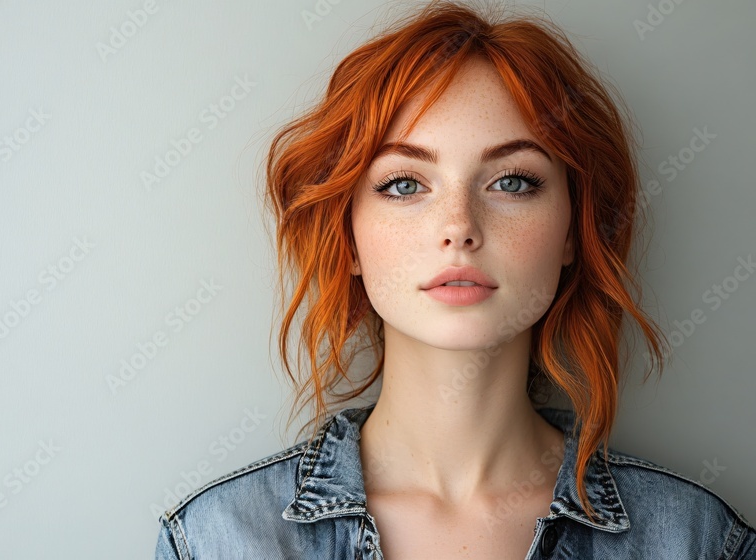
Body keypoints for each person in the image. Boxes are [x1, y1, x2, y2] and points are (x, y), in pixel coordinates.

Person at [154, 1, 756, 558]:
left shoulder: (695, 540)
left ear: (573, 229)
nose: (459, 229)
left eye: (512, 181)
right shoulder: (217, 539)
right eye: (405, 184)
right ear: (349, 237)